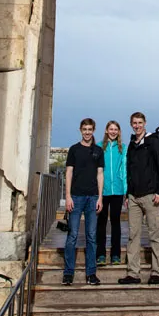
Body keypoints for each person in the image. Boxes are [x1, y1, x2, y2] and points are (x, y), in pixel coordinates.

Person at [119, 112, 159, 285]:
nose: (137, 125)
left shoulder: (153, 142)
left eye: (140, 122)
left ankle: (157, 272)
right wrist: (128, 194)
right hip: (133, 197)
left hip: (150, 195)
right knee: (133, 235)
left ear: (145, 123)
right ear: (131, 124)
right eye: (134, 123)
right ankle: (133, 273)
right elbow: (129, 170)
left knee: (155, 234)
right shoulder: (132, 145)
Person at [63, 118, 104, 286]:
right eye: (84, 129)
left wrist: (100, 197)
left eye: (90, 129)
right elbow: (68, 172)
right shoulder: (74, 149)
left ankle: (91, 273)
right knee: (72, 235)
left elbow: (100, 174)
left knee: (91, 236)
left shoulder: (98, 150)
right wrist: (68, 196)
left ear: (93, 130)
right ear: (80, 130)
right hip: (76, 196)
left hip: (92, 197)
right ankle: (68, 273)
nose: (87, 132)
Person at [96, 120, 127, 267]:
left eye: (116, 129)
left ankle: (116, 254)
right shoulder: (99, 147)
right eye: (111, 129)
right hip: (103, 190)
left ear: (119, 131)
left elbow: (125, 170)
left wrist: (126, 191)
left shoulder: (123, 148)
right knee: (101, 223)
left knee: (116, 222)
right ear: (107, 130)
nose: (113, 131)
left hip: (118, 190)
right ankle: (100, 254)